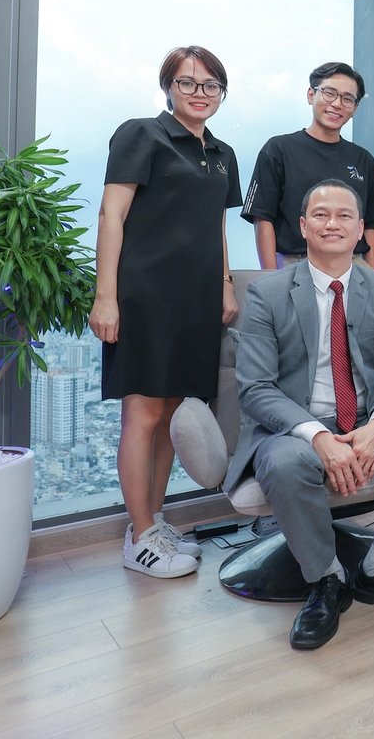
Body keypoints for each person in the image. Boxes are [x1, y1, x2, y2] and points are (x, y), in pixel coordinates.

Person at [230, 179, 374, 650]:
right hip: (293, 429)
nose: (333, 223)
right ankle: (325, 578)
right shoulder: (268, 294)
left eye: (344, 215)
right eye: (321, 214)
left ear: (360, 229)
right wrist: (317, 436)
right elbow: (256, 388)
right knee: (286, 463)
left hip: (365, 420)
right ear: (303, 226)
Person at [90, 45, 242, 579]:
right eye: (187, 82)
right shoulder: (141, 134)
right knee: (143, 414)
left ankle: (152, 522)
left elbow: (217, 225)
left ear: (221, 93)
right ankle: (138, 537)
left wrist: (225, 284)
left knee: (172, 415)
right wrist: (105, 295)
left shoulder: (222, 153)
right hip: (145, 295)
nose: (199, 93)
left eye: (210, 85)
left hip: (196, 300)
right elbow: (111, 214)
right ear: (168, 87)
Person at [241, 61, 374, 270]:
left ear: (355, 108)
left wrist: (371, 275)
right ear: (311, 95)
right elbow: (262, 218)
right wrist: (270, 277)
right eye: (329, 93)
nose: (337, 104)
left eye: (347, 99)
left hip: (352, 264)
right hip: (295, 263)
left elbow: (370, 224)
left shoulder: (363, 159)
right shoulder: (278, 149)